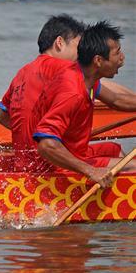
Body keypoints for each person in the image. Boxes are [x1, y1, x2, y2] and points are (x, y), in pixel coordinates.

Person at [20, 22, 136, 182]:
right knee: (133, 165)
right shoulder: (72, 92)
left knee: (114, 149)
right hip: (51, 166)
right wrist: (91, 171)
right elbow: (46, 144)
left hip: (73, 153)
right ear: (98, 60)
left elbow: (116, 100)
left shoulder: (84, 75)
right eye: (117, 53)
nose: (122, 58)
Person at [0, 15, 85, 170]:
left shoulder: (22, 72)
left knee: (109, 149)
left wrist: (32, 136)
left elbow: (2, 117)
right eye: (79, 48)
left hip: (24, 164)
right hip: (49, 166)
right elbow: (113, 97)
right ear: (59, 42)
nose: (81, 56)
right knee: (116, 153)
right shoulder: (64, 69)